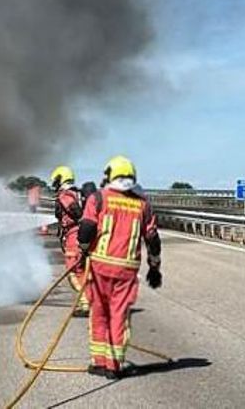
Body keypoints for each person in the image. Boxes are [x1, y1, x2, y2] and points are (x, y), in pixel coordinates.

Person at [77, 155, 162, 379]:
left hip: (100, 266)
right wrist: (154, 268)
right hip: (126, 270)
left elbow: (86, 228)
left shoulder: (98, 198)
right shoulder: (143, 203)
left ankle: (98, 362)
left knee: (99, 312)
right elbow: (153, 240)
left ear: (109, 176)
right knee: (119, 316)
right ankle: (113, 366)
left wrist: (83, 251)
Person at [50, 165, 89, 316]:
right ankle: (89, 300)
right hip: (81, 234)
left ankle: (86, 303)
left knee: (73, 271)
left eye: (55, 182)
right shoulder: (77, 193)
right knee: (83, 271)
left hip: (74, 235)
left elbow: (75, 211)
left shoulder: (65, 195)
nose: (55, 185)